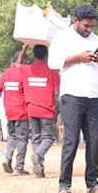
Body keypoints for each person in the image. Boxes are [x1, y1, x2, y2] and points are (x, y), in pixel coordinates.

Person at [48, 4, 98, 193]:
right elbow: (53, 63)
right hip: (72, 96)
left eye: (91, 26)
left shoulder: (96, 39)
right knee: (71, 140)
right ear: (75, 21)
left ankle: (92, 183)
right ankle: (64, 184)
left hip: (93, 96)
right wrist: (80, 57)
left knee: (94, 142)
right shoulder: (62, 38)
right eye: (85, 26)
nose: (89, 30)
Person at [21, 44, 60, 178]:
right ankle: (38, 155)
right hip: (46, 110)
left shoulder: (27, 69)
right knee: (49, 137)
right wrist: (63, 106)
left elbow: (17, 65)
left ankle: (39, 168)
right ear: (46, 55)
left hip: (31, 109)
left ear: (33, 55)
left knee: (36, 138)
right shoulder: (52, 71)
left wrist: (24, 48)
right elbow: (56, 93)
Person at [0, 48, 30, 175]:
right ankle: (19, 167)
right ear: (23, 60)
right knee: (22, 139)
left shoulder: (6, 73)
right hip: (21, 110)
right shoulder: (24, 73)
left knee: (12, 136)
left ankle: (8, 158)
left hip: (9, 110)